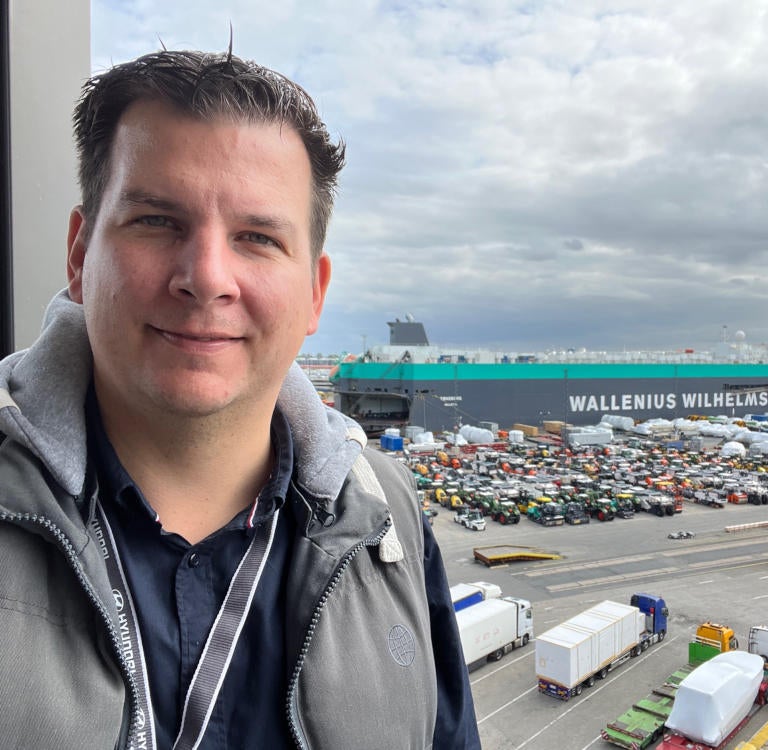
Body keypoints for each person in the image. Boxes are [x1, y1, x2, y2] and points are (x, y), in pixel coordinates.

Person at [0, 48, 479, 749]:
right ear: (79, 255)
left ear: (314, 292)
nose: (207, 278)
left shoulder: (391, 521)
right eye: (157, 221)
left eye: (256, 237)